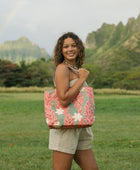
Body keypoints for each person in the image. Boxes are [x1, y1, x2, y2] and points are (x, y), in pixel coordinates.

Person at [49, 32, 98, 170]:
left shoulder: (76, 70)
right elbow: (63, 99)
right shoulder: (62, 69)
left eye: (73, 45)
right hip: (66, 128)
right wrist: (82, 79)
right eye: (65, 47)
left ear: (79, 48)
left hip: (81, 127)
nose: (70, 49)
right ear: (61, 50)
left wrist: (80, 76)